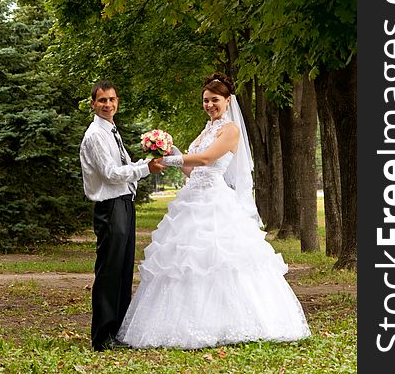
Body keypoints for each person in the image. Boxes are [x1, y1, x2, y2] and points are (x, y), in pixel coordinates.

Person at [116, 73, 311, 349]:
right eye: (206, 100)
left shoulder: (230, 130)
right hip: (192, 198)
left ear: (227, 101)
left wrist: (173, 158)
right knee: (184, 263)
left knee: (220, 260)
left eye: (215, 100)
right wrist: (168, 149)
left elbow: (208, 159)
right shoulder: (206, 130)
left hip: (215, 202)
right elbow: (191, 169)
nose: (209, 105)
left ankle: (235, 322)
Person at [79, 80, 165, 352]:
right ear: (93, 104)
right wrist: (144, 171)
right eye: (102, 100)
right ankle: (102, 336)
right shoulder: (95, 135)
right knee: (109, 271)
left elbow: (123, 166)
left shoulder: (112, 131)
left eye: (112, 100)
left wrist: (149, 162)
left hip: (124, 204)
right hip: (110, 206)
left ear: (117, 102)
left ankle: (118, 331)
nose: (108, 105)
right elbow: (110, 173)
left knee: (124, 269)